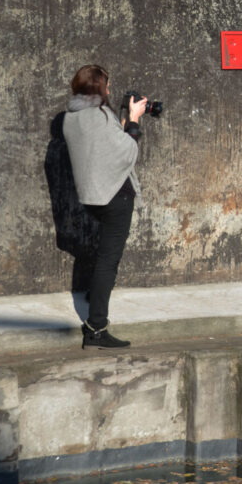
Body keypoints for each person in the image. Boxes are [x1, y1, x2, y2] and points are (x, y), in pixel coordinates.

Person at [63, 65, 148, 349]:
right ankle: (96, 328)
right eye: (107, 85)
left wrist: (120, 128)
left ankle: (96, 296)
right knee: (108, 262)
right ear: (98, 87)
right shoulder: (100, 116)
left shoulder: (71, 117)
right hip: (115, 197)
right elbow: (127, 152)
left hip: (92, 197)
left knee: (102, 257)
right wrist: (133, 121)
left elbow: (101, 148)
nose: (110, 90)